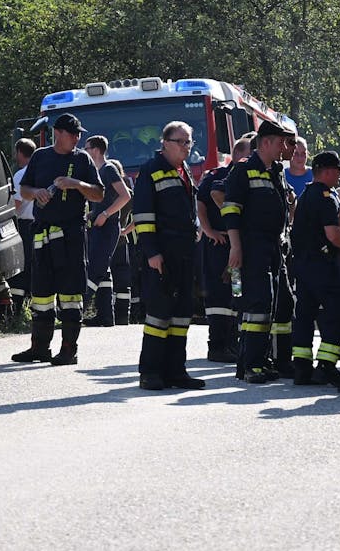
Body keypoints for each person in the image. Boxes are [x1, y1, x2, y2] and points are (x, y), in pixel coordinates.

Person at [14, 113, 103, 366]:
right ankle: (39, 347)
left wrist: (76, 184)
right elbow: (24, 190)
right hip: (43, 235)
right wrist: (37, 193)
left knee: (71, 294)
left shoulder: (82, 158)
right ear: (59, 133)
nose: (77, 138)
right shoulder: (41, 156)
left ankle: (68, 350)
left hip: (71, 236)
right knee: (41, 295)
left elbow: (97, 195)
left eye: (78, 135)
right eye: (73, 133)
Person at [222, 118, 296, 383]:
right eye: (280, 142)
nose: (283, 148)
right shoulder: (244, 170)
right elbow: (230, 211)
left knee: (283, 303)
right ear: (265, 143)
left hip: (275, 247)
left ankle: (271, 361)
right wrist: (236, 248)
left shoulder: (275, 170)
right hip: (252, 247)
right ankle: (250, 365)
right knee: (258, 305)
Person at [133, 121, 205, 390]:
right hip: (162, 253)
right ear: (165, 142)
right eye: (181, 142)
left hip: (185, 253)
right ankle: (150, 372)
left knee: (182, 314)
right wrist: (152, 252)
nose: (186, 147)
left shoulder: (182, 170)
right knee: (159, 314)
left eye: (189, 142)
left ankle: (176, 371)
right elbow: (142, 215)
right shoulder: (151, 170)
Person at [288, 151, 340, 386]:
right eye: (338, 170)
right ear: (327, 171)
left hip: (303, 265)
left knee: (305, 316)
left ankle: (301, 368)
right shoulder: (325, 196)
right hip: (323, 266)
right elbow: (333, 234)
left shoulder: (307, 193)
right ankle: (327, 366)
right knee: (337, 314)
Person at [197, 136, 249, 362]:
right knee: (219, 294)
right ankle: (216, 345)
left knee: (235, 293)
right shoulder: (218, 176)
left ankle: (231, 342)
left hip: (236, 246)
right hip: (219, 246)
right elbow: (200, 204)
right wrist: (209, 231)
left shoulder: (245, 176)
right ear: (239, 155)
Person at [83, 135, 131, 327]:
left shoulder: (109, 169)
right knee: (103, 271)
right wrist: (92, 214)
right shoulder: (96, 171)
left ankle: (79, 307)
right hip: (98, 227)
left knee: (96, 268)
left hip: (108, 227)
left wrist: (105, 214)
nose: (84, 151)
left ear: (96, 149)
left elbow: (125, 196)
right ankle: (105, 316)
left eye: (86, 148)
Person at [7, 138, 38, 320]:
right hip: (39, 224)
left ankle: (16, 310)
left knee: (21, 267)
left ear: (20, 152)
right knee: (36, 266)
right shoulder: (41, 172)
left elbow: (16, 205)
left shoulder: (21, 175)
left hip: (25, 226)